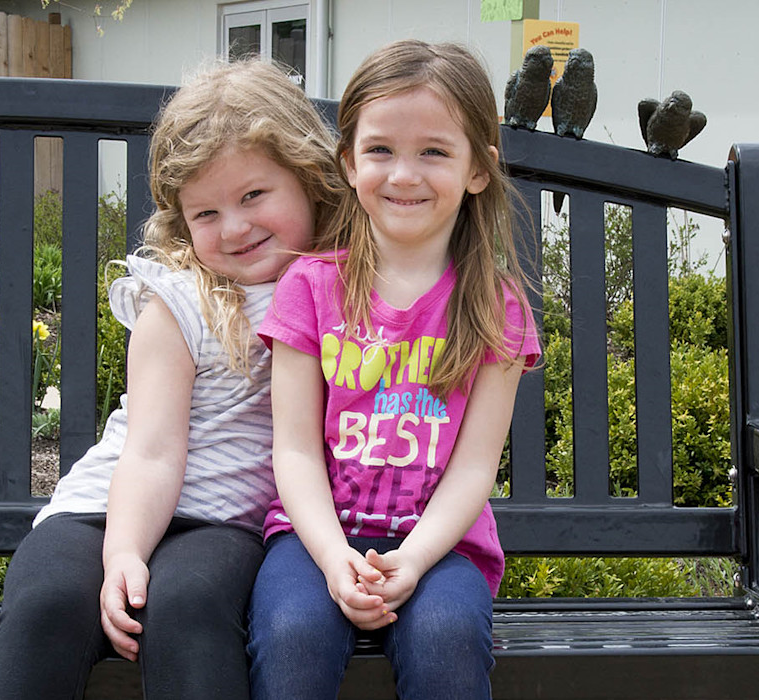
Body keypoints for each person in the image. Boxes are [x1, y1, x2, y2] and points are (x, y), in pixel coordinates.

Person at [0, 58, 346, 700]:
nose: (234, 227)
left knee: (190, 607)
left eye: (254, 195)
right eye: (205, 213)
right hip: (104, 510)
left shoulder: (342, 288)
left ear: (311, 180)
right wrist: (122, 553)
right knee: (48, 604)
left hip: (222, 523)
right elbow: (150, 450)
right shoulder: (179, 303)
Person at [246, 39, 540, 699]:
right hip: (314, 533)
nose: (403, 175)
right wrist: (330, 557)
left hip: (440, 545)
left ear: (477, 169)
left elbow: (472, 468)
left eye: (433, 151)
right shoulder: (311, 288)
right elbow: (293, 450)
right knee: (292, 634)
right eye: (380, 150)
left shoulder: (496, 307)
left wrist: (411, 559)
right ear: (349, 163)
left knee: (445, 638)